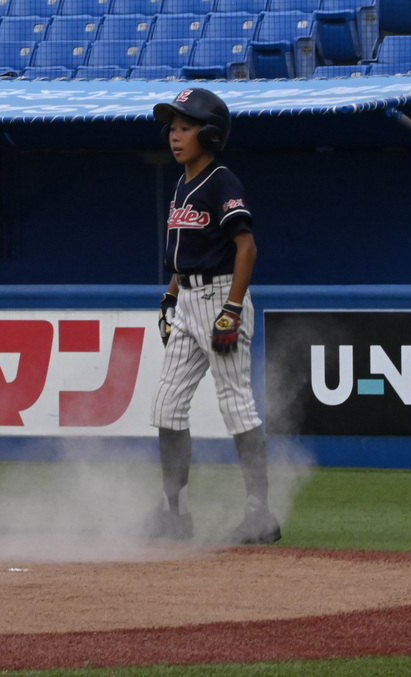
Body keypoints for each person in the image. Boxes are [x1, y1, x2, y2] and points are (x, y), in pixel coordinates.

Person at [146, 88, 281, 546]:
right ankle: (174, 514)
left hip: (222, 296)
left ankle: (260, 514)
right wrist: (169, 297)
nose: (174, 135)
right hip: (187, 297)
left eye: (185, 127)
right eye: (172, 128)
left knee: (234, 402)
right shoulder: (183, 182)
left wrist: (231, 309)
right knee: (166, 405)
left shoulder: (222, 180)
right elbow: (185, 253)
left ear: (210, 133)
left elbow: (247, 247)